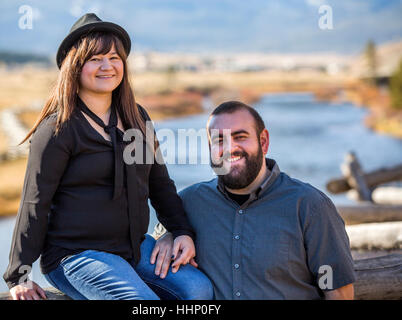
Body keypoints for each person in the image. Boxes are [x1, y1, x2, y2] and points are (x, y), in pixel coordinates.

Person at [3, 13, 213, 300]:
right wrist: (19, 275)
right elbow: (34, 203)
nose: (107, 66)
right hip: (75, 256)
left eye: (115, 58)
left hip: (133, 248)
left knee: (199, 290)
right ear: (74, 66)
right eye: (95, 58)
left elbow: (160, 185)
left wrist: (179, 232)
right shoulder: (57, 130)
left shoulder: (136, 117)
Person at [152, 100, 356, 300]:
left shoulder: (310, 206)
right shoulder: (188, 203)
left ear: (264, 142)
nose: (230, 148)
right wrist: (171, 233)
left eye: (240, 136)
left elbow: (338, 292)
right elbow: (150, 254)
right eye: (219, 140)